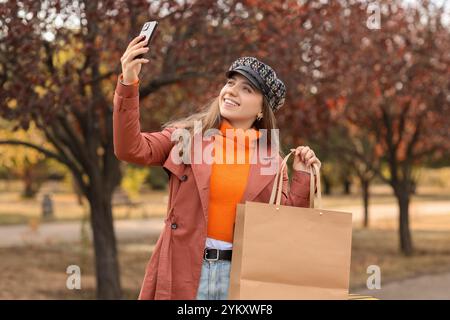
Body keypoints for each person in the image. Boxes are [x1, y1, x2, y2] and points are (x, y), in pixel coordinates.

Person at [113, 35, 322, 300]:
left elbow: (282, 228)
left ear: (261, 110)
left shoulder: (272, 159)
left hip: (241, 279)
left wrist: (302, 175)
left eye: (247, 89)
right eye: (231, 82)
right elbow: (129, 148)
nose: (232, 90)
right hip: (184, 272)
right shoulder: (187, 138)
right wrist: (128, 83)